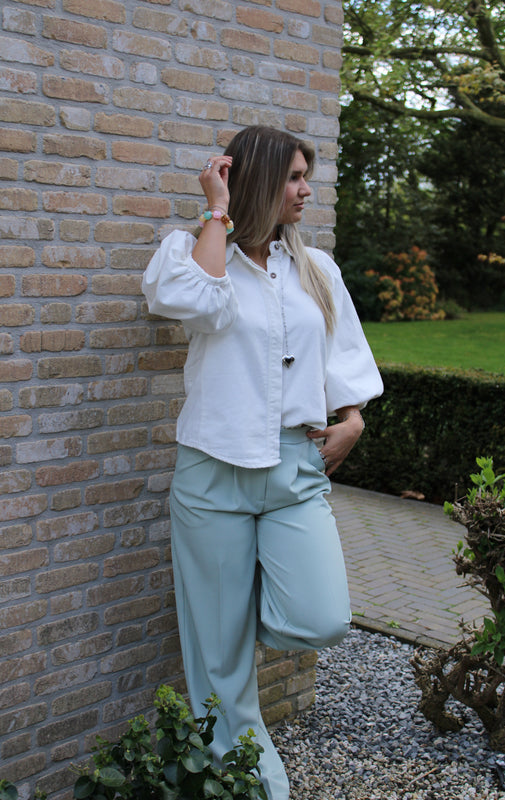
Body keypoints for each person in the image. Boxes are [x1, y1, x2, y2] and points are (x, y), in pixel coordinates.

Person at [142, 125, 383, 800]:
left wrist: (352, 419)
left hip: (295, 472)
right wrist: (217, 211)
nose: (306, 191)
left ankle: (227, 609)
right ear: (258, 182)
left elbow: (342, 352)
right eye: (294, 178)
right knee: (218, 662)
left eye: (308, 178)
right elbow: (190, 302)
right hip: (212, 471)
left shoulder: (316, 268)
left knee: (320, 615)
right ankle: (252, 781)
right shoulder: (194, 251)